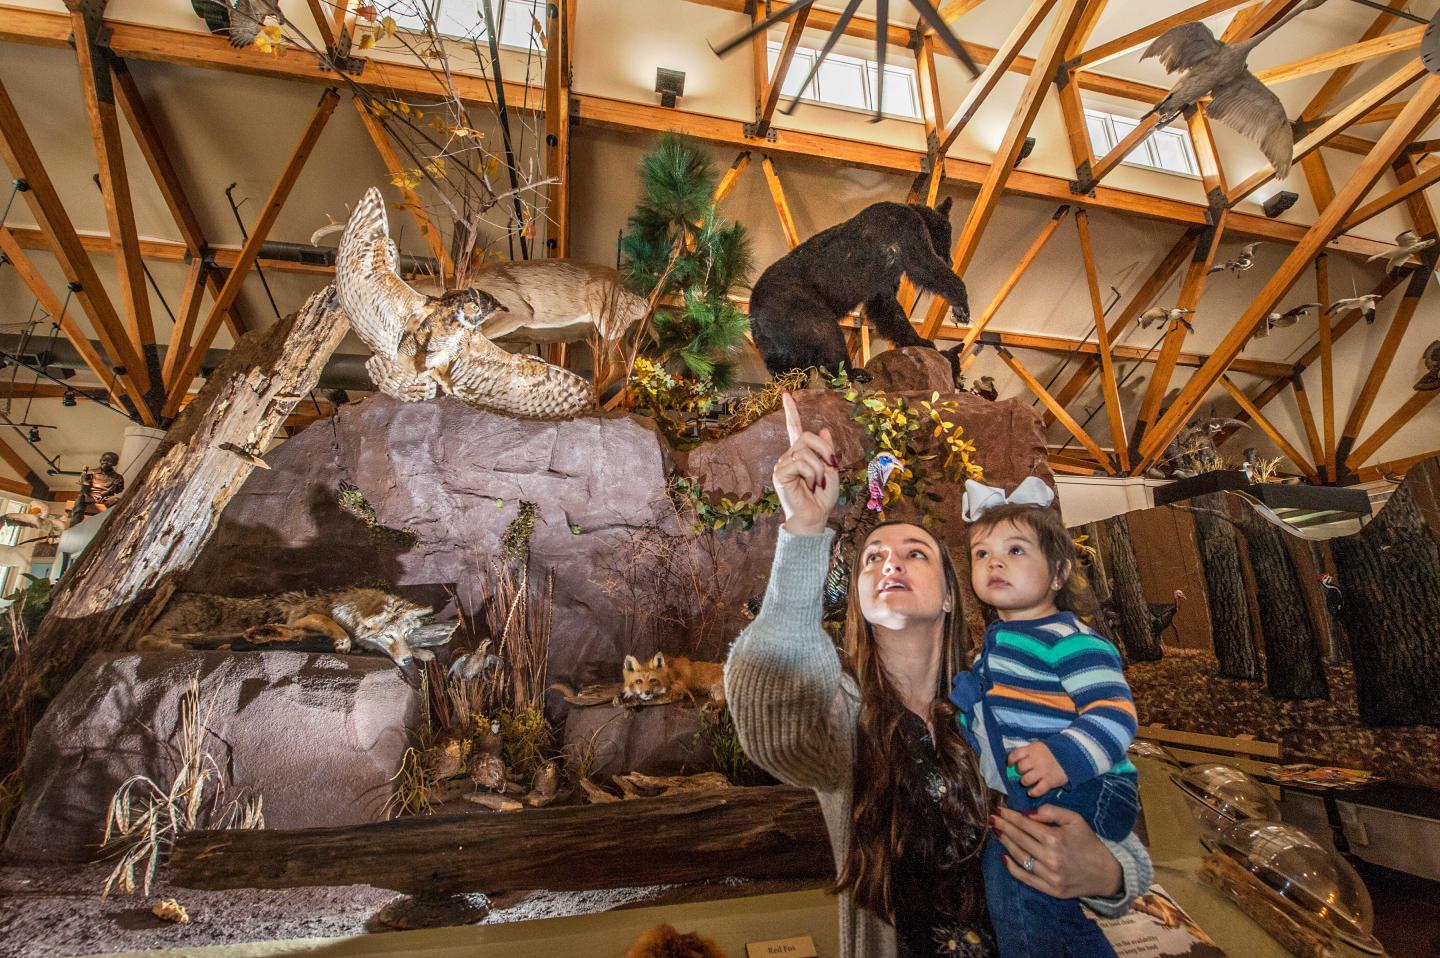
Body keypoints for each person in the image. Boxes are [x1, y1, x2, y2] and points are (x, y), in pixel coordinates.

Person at [724, 393, 1152, 958]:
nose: (890, 563)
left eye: (916, 553)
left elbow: (1116, 829)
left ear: (951, 595)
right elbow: (771, 719)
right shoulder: (840, 714)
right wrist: (805, 530)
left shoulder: (1003, 695)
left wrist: (1109, 874)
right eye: (872, 558)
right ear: (856, 598)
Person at [951, 477, 1139, 958]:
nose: (994, 561)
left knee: (1026, 896)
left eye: (1016, 551)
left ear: (1057, 574)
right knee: (1017, 894)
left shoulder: (1071, 639)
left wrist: (1062, 756)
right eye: (982, 553)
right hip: (1032, 792)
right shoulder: (997, 647)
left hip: (1086, 784)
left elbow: (1115, 714)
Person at [68, 451, 124, 524]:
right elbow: (84, 486)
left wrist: (115, 487)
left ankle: (111, 523)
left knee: (116, 500)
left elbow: (119, 490)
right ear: (100, 460)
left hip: (105, 498)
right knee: (80, 498)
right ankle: (75, 524)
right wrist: (86, 492)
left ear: (114, 463)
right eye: (104, 460)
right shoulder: (91, 472)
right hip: (90, 496)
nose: (105, 463)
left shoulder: (117, 477)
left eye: (109, 461)